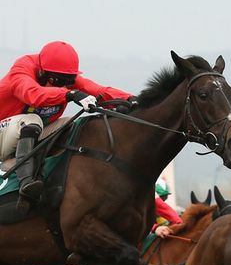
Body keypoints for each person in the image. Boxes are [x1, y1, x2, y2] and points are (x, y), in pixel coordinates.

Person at [0, 41, 134, 212]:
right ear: (41, 71)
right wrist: (70, 94)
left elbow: (97, 90)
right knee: (31, 120)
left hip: (26, 135)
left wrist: (129, 99)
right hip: (5, 133)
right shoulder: (21, 70)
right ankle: (26, 182)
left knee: (75, 124)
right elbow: (32, 94)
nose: (61, 85)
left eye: (66, 82)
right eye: (56, 81)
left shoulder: (63, 78)